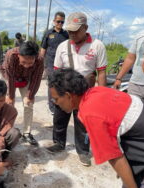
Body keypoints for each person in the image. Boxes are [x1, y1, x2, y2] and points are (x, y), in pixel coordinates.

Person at [49, 68, 144, 188]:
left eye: (56, 99)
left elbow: (115, 157)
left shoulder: (90, 113)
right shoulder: (96, 91)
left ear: (69, 96)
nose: (55, 103)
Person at [46, 12, 107, 166]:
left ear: (85, 28)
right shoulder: (62, 46)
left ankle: (83, 151)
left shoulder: (97, 46)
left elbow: (101, 72)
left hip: (85, 92)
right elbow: (56, 71)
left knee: (82, 122)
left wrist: (103, 95)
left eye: (76, 30)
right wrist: (54, 95)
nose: (72, 34)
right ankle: (58, 143)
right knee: (59, 118)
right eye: (70, 30)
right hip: (64, 91)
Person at [113, 3, 144, 106]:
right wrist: (119, 78)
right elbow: (130, 58)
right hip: (135, 87)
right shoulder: (140, 36)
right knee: (131, 118)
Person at [0, 41, 44, 146]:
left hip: (26, 79)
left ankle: (27, 133)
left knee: (28, 104)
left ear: (35, 57)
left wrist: (30, 95)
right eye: (23, 62)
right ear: (19, 55)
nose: (27, 66)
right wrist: (10, 96)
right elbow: (10, 77)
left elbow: (36, 79)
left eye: (30, 63)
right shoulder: (11, 55)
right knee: (9, 104)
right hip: (11, 77)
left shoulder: (40, 59)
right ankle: (8, 130)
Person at [40, 11, 69, 114]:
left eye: (62, 22)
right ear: (54, 21)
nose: (60, 24)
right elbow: (43, 48)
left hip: (62, 63)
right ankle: (51, 106)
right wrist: (41, 64)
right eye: (58, 21)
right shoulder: (48, 33)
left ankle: (59, 102)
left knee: (61, 84)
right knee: (52, 83)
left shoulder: (66, 34)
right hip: (50, 62)